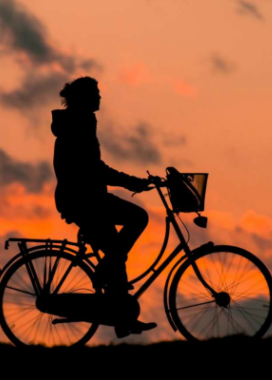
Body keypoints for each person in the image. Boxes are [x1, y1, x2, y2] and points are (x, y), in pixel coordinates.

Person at [51, 76, 157, 338]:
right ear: (85, 98)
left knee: (115, 251)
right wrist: (132, 182)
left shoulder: (77, 122)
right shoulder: (79, 123)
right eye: (96, 93)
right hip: (83, 200)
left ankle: (123, 319)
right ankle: (105, 272)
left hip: (85, 199)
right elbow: (94, 169)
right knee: (137, 218)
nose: (100, 97)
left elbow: (94, 169)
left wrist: (130, 182)